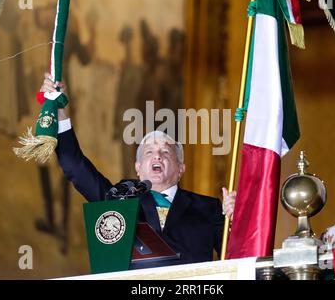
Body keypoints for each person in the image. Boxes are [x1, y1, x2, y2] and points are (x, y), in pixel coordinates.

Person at [40, 74, 237, 266]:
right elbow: (76, 166)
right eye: (149, 152)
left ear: (181, 169)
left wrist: (237, 220)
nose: (157, 156)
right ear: (138, 168)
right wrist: (58, 109)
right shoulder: (120, 200)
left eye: (166, 152)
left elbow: (235, 259)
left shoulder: (209, 208)